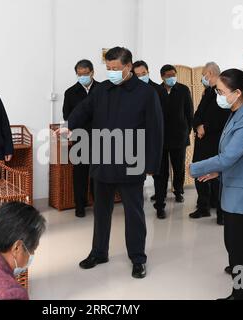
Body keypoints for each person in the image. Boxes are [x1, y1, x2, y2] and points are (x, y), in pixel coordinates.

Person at [63, 47, 163, 279]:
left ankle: (138, 258)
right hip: (103, 159)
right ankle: (99, 252)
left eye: (115, 69)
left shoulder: (146, 93)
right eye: (108, 68)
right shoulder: (101, 90)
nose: (111, 73)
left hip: (132, 161)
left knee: (134, 213)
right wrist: (70, 125)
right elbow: (83, 110)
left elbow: (155, 130)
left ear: (128, 67)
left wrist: (151, 164)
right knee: (101, 210)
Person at [190, 69, 243, 300]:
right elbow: (234, 157)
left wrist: (195, 167)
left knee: (241, 253)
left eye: (222, 92)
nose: (218, 96)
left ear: (237, 93)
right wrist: (216, 172)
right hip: (234, 192)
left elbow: (228, 157)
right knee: (234, 250)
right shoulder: (236, 113)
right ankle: (238, 292)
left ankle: (242, 296)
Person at [189, 62, 230, 225]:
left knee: (217, 178)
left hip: (216, 141)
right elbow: (198, 113)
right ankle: (203, 207)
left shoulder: (224, 92)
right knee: (200, 173)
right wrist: (198, 125)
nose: (202, 78)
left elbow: (224, 117)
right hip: (202, 142)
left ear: (211, 73)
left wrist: (206, 127)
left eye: (204, 74)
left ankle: (221, 212)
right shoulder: (208, 92)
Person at [153, 65, 193, 217]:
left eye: (173, 74)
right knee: (160, 172)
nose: (172, 77)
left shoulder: (183, 90)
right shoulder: (156, 91)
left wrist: (186, 131)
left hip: (179, 138)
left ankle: (178, 191)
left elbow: (189, 113)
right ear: (162, 77)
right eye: (168, 75)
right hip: (161, 139)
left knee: (179, 168)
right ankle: (160, 204)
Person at [62, 59, 100, 217]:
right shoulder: (70, 92)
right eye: (79, 74)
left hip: (100, 137)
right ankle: (80, 205)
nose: (82, 76)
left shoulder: (102, 89)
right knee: (80, 174)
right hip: (80, 138)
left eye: (85, 74)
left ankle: (98, 204)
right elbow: (67, 115)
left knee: (98, 174)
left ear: (92, 72)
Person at [132, 60, 169, 219]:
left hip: (157, 139)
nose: (141, 77)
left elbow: (165, 116)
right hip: (137, 140)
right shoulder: (130, 91)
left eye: (144, 74)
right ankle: (136, 206)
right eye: (138, 75)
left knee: (160, 174)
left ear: (148, 72)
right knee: (136, 175)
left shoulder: (159, 90)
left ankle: (160, 205)